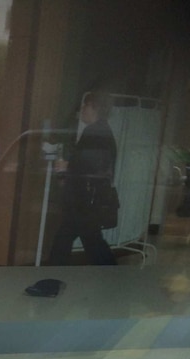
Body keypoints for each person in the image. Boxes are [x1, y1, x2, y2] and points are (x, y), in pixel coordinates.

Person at [47, 89, 118, 266]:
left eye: (85, 105)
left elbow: (89, 166)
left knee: (76, 241)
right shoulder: (102, 131)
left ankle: (50, 278)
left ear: (94, 107)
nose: (82, 110)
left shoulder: (95, 133)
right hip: (87, 201)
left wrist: (67, 167)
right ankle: (114, 276)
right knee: (88, 241)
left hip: (83, 202)